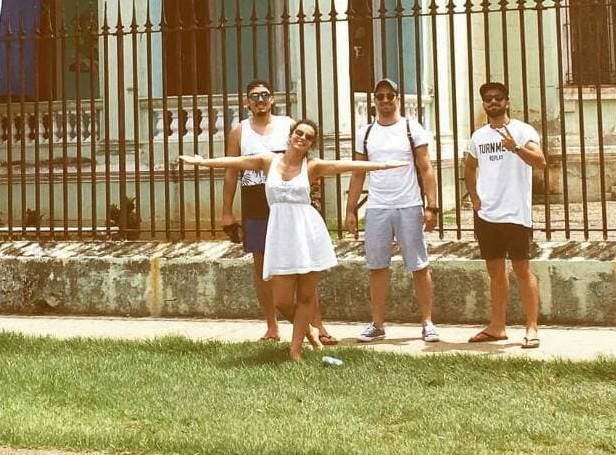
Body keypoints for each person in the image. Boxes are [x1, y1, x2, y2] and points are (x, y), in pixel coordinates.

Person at [182, 119, 401, 361]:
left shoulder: (312, 166)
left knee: (306, 296)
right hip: (279, 235)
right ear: (290, 135)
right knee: (282, 301)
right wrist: (202, 162)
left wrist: (384, 165)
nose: (302, 138)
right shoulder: (268, 161)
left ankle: (295, 351)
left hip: (307, 233)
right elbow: (234, 162)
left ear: (311, 144)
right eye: (299, 133)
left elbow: (344, 165)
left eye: (308, 137)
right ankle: (308, 330)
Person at [222, 80, 336, 344]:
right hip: (255, 199)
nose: (260, 100)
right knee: (263, 266)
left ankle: (317, 325)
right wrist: (227, 210)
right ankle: (272, 327)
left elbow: (308, 162)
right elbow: (231, 172)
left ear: (272, 99)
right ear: (246, 102)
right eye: (254, 96)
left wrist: (314, 195)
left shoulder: (288, 125)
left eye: (265, 95)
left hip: (290, 202)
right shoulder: (239, 132)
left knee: (304, 265)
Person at [345, 78, 440, 344]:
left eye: (390, 96)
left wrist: (432, 205)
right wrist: (351, 210)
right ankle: (377, 323)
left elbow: (426, 168)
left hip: (409, 204)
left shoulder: (412, 128)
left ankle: (427, 322)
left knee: (419, 265)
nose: (385, 101)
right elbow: (357, 174)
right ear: (374, 100)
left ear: (398, 98)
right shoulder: (365, 132)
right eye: (380, 96)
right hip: (377, 207)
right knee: (377, 267)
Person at [464, 81, 546, 349]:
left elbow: (541, 162)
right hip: (487, 214)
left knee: (522, 269)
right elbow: (470, 166)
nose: (493, 102)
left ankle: (531, 327)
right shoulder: (478, 137)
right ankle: (497, 326)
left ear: (507, 101)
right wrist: (475, 196)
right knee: (495, 271)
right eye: (488, 99)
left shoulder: (523, 131)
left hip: (515, 212)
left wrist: (515, 147)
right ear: (484, 104)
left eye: (498, 98)